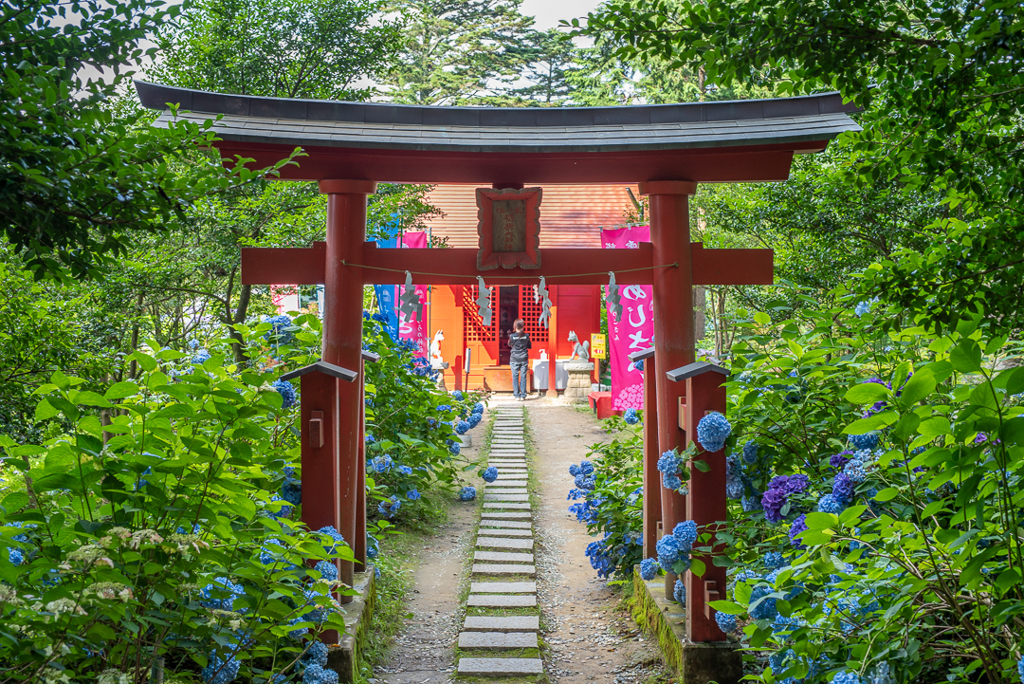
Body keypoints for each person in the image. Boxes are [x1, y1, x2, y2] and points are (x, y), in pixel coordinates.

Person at [508, 319, 531, 400]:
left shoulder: (512, 336)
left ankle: (516, 395)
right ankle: (523, 395)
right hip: (524, 358)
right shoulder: (527, 336)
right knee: (523, 376)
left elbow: (509, 344)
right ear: (523, 326)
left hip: (514, 358)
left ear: (515, 326)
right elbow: (529, 346)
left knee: (515, 376)